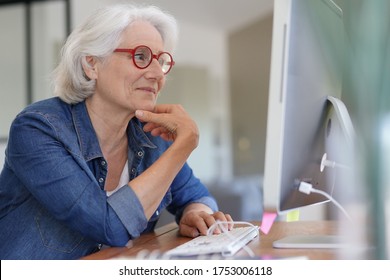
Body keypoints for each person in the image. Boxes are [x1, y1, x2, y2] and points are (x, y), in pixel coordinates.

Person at [0, 4, 232, 260]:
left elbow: (198, 196)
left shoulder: (151, 135)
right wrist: (185, 143)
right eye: (141, 57)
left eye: (161, 61)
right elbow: (109, 225)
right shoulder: (37, 129)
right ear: (92, 65)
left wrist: (195, 213)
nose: (157, 74)